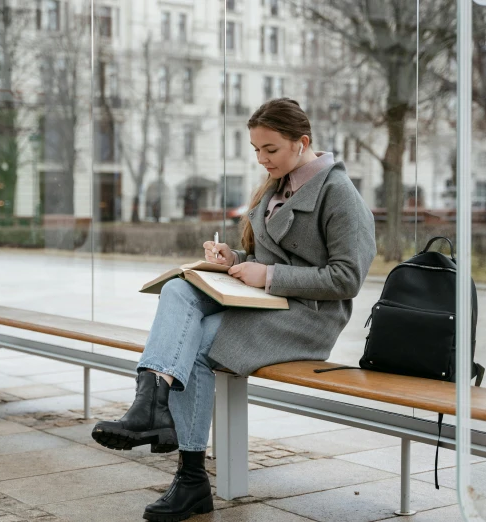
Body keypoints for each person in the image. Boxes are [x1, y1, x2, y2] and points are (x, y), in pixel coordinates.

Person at [92, 98, 377, 522]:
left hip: (307, 318)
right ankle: (150, 401)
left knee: (200, 346)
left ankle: (190, 479)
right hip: (264, 301)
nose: (262, 160)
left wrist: (268, 276)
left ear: (302, 142)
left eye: (270, 150)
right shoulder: (277, 184)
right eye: (256, 150)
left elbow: (346, 279)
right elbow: (270, 253)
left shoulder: (339, 195)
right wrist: (234, 258)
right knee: (177, 290)